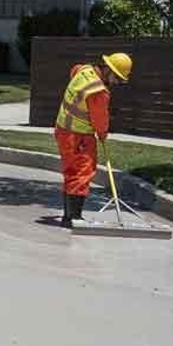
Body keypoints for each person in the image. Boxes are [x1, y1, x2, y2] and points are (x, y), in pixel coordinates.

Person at [54, 52, 133, 227]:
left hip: (62, 130)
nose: (116, 83)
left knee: (70, 172)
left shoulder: (84, 70)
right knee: (82, 172)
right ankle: (74, 217)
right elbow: (100, 119)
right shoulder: (99, 92)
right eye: (117, 78)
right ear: (108, 70)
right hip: (79, 136)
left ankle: (68, 216)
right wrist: (103, 134)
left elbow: (73, 72)